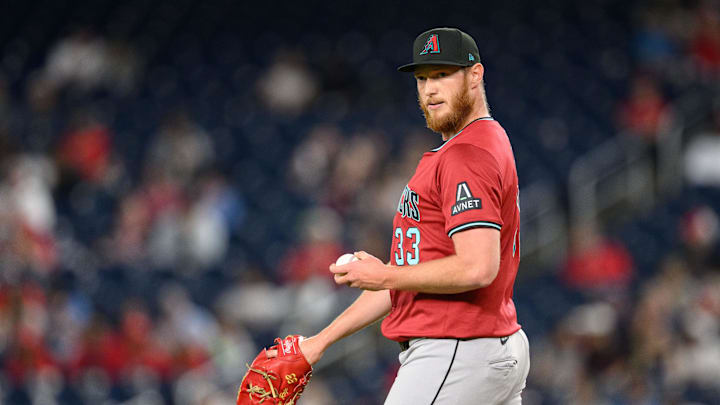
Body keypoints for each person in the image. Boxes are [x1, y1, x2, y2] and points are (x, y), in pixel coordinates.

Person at [273, 27, 530, 404]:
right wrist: (319, 342)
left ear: (475, 75)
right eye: (423, 78)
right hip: (481, 349)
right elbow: (411, 276)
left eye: (443, 74)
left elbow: (478, 267)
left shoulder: (466, 155)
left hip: (454, 350)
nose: (430, 89)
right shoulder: (475, 144)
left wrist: (384, 275)